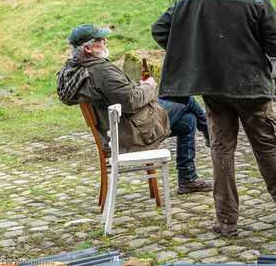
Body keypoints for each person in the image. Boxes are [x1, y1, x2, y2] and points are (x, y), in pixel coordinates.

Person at [151, 0, 276, 237]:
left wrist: (191, 55)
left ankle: (226, 221)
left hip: (213, 87)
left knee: (222, 151)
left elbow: (160, 30)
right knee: (267, 146)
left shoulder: (189, 0)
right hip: (252, 89)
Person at [56, 24, 213, 195]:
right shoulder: (101, 72)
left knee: (189, 120)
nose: (105, 41)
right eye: (100, 40)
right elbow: (131, 101)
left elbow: (123, 97)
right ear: (87, 48)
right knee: (186, 98)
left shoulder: (73, 71)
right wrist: (148, 86)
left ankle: (188, 179)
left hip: (119, 131)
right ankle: (210, 134)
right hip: (134, 132)